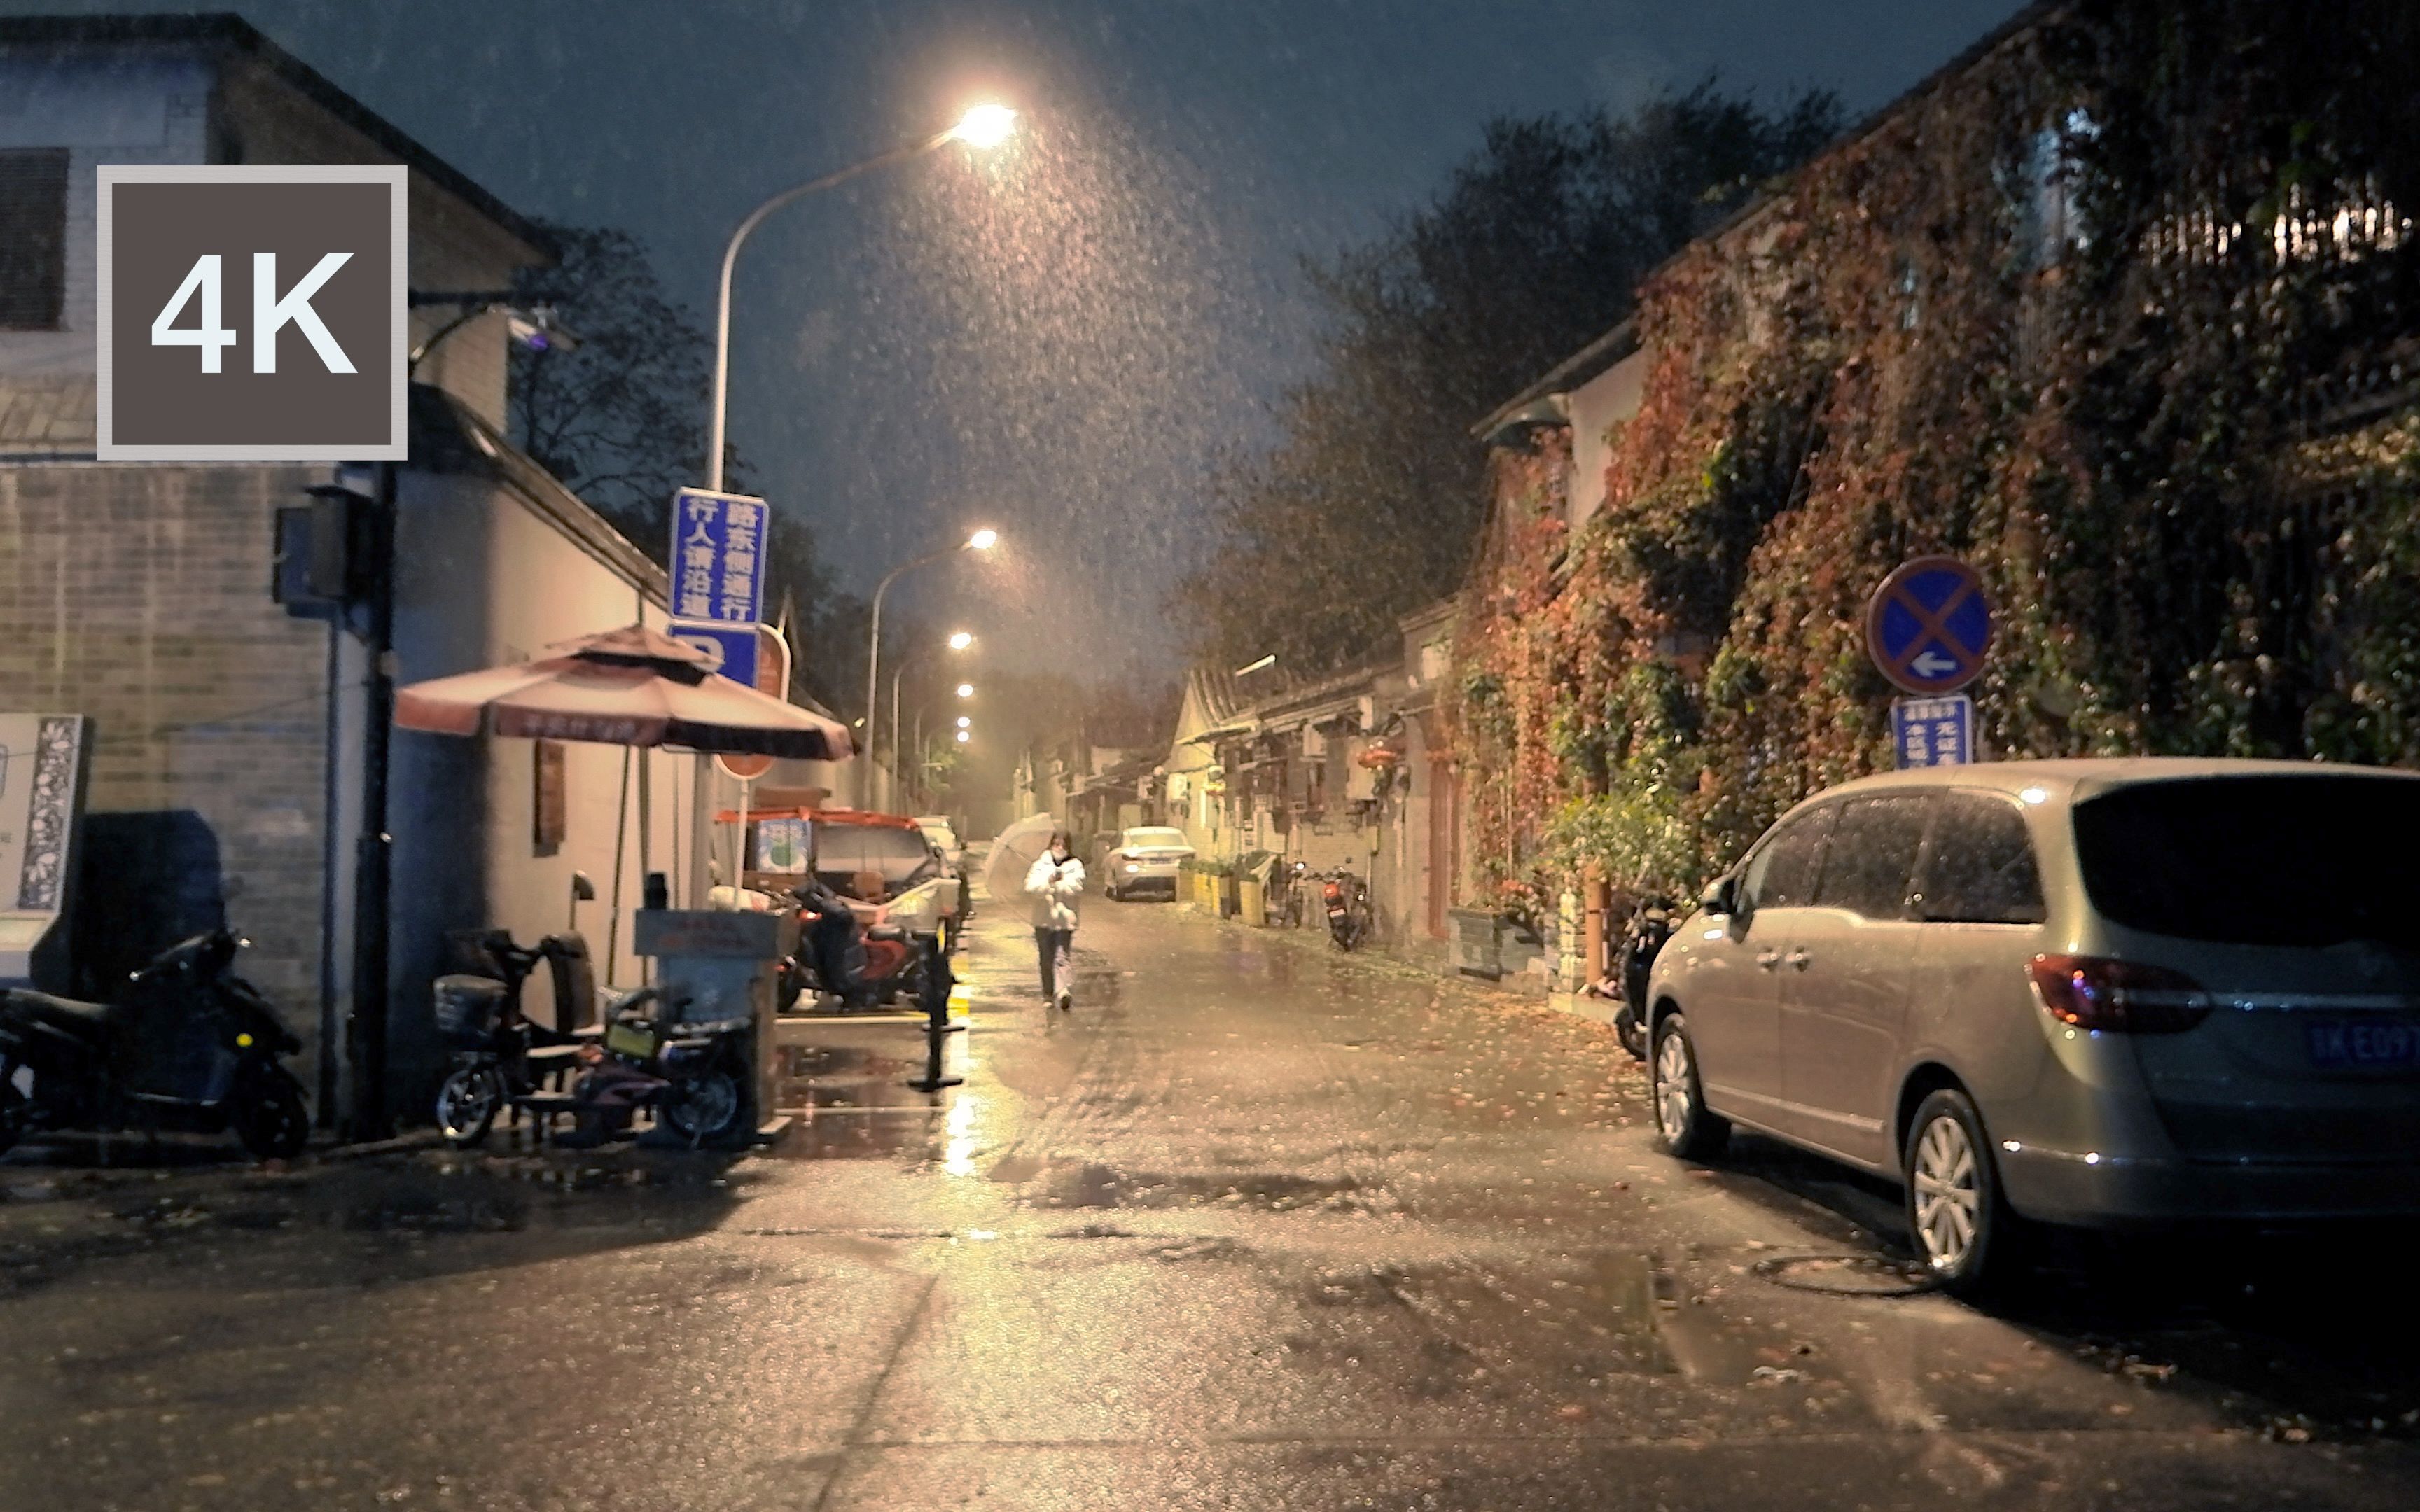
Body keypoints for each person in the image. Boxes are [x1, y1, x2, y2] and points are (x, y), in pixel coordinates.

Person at [1024, 830, 1085, 1012]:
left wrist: (1061, 883)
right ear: (1051, 844)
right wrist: (1048, 883)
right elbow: (1030, 888)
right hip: (1043, 919)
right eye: (1056, 844)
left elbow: (1077, 888)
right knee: (1046, 957)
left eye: (1063, 844)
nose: (1060, 847)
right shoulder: (1039, 866)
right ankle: (1048, 994)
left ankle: (1063, 991)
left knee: (1062, 956)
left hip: (1065, 920)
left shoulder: (1075, 865)